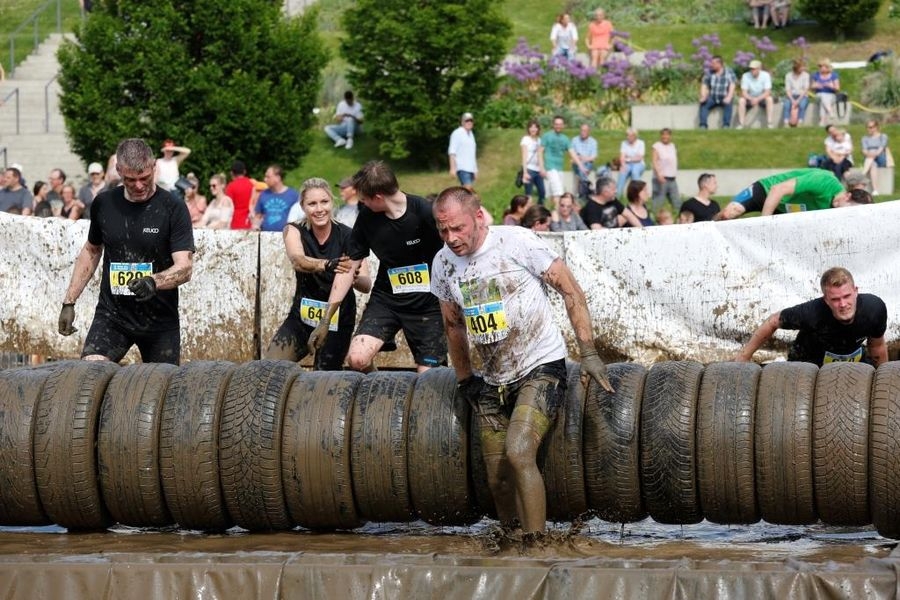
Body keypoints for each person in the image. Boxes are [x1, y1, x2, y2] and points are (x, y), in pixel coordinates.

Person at [430, 186, 613, 536]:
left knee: (518, 452)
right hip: (491, 377)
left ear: (479, 216)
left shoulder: (517, 243)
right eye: (443, 230)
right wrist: (465, 378)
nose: (451, 238)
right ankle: (511, 545)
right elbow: (452, 325)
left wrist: (588, 352)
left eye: (458, 228)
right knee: (497, 478)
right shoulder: (443, 264)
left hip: (540, 366)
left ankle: (537, 546)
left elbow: (571, 290)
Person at [57, 138, 194, 365]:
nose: (139, 186)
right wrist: (69, 301)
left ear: (153, 168)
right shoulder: (104, 203)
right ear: (118, 171)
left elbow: (185, 268)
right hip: (112, 317)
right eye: (130, 180)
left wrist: (153, 281)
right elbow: (91, 251)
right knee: (89, 374)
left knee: (160, 391)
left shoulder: (173, 207)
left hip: (159, 321)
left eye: (144, 178)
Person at [307, 160, 447, 373]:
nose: (362, 203)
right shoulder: (367, 218)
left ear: (379, 197)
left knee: (429, 377)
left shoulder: (425, 212)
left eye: (364, 199)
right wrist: (325, 320)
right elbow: (348, 267)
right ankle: (379, 391)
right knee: (356, 358)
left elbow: (451, 256)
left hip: (428, 305)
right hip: (387, 301)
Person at [266, 177, 372, 370]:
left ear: (332, 202)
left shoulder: (349, 235)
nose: (319, 209)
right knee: (270, 366)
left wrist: (353, 276)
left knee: (323, 379)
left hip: (337, 319)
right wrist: (328, 264)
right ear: (303, 207)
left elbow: (366, 285)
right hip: (302, 316)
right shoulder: (293, 230)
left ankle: (370, 376)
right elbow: (298, 260)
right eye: (312, 204)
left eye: (324, 202)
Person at [735, 267, 886, 367]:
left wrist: (884, 379)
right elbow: (773, 321)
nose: (843, 304)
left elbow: (877, 346)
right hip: (809, 360)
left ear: (856, 291)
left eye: (846, 296)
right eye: (835, 299)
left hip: (851, 355)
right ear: (826, 300)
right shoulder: (811, 313)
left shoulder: (873, 309)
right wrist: (743, 357)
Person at [717, 168, 870, 220]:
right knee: (728, 214)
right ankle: (705, 224)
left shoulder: (837, 210)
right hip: (767, 191)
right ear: (847, 196)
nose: (845, 213)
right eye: (849, 208)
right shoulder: (824, 181)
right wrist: (763, 223)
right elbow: (778, 190)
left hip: (786, 209)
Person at [542, 115, 587, 208]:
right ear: (553, 125)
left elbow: (572, 153)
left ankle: (550, 211)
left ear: (563, 126)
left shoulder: (565, 138)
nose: (558, 126)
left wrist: (581, 166)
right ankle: (558, 213)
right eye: (556, 124)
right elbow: (539, 152)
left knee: (552, 193)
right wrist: (542, 167)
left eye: (560, 124)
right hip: (550, 167)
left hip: (559, 168)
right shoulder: (547, 136)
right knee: (559, 191)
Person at [253, 165, 300, 232]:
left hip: (286, 237)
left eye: (268, 177)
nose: (264, 179)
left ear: (277, 178)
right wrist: (256, 226)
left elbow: (300, 217)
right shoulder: (263, 194)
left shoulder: (293, 195)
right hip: (265, 236)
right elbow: (258, 216)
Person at [698, 55, 737, 129]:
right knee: (704, 105)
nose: (711, 65)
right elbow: (704, 85)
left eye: (713, 63)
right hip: (712, 97)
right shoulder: (709, 73)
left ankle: (726, 125)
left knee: (728, 105)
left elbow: (732, 84)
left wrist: (729, 96)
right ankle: (703, 125)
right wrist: (703, 96)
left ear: (719, 64)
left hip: (724, 96)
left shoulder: (729, 72)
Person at [737, 60, 774, 129]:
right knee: (741, 100)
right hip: (750, 97)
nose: (752, 71)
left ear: (759, 69)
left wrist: (758, 99)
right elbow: (744, 92)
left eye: (754, 69)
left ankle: (769, 123)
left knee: (769, 99)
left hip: (762, 97)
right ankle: (741, 124)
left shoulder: (766, 75)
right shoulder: (745, 76)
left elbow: (767, 92)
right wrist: (751, 99)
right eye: (751, 69)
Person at [651, 128, 679, 212]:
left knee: (676, 202)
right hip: (661, 178)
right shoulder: (657, 146)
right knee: (658, 202)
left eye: (667, 134)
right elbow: (654, 161)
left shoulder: (672, 146)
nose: (665, 136)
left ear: (670, 136)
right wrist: (659, 174)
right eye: (663, 134)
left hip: (672, 178)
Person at [448, 112, 477, 191]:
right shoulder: (457, 133)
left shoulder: (471, 134)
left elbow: (472, 153)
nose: (469, 122)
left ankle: (463, 203)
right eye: (467, 120)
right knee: (468, 190)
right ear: (462, 122)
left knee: (466, 191)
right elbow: (452, 151)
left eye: (471, 120)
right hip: (462, 167)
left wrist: (475, 170)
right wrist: (452, 168)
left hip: (470, 168)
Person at [520, 120, 545, 206]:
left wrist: (542, 169)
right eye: (531, 127)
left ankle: (539, 208)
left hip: (538, 170)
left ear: (538, 129)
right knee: (528, 194)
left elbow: (541, 156)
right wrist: (525, 172)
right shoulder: (525, 139)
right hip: (529, 169)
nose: (533, 129)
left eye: (535, 127)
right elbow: (524, 155)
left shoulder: (540, 140)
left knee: (542, 192)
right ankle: (528, 211)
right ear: (528, 129)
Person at [571, 124, 598, 203]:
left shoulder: (593, 142)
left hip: (588, 164)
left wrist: (582, 158)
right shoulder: (574, 140)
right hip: (577, 164)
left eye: (585, 131)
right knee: (581, 167)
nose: (583, 132)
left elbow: (593, 157)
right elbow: (573, 156)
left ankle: (582, 194)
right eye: (582, 130)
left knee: (584, 167)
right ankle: (585, 193)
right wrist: (580, 159)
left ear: (589, 132)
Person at [861, 120, 889, 196]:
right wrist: (869, 154)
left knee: (871, 156)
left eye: (871, 127)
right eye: (867, 127)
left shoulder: (883, 136)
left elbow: (880, 150)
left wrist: (871, 154)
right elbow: (864, 151)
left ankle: (862, 175)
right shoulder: (865, 138)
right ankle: (875, 190)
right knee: (873, 165)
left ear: (876, 127)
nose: (869, 129)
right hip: (869, 159)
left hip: (880, 158)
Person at [616, 128, 645, 198]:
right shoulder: (624, 143)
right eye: (627, 135)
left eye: (630, 135)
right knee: (622, 172)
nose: (628, 137)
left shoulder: (641, 143)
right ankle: (617, 195)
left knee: (635, 171)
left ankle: (637, 194)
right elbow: (622, 156)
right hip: (627, 164)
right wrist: (623, 165)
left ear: (635, 136)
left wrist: (628, 159)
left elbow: (639, 158)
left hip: (639, 163)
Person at [226, 160, 254, 230]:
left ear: (232, 173)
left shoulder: (230, 186)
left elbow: (228, 206)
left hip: (235, 222)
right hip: (250, 221)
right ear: (244, 171)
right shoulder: (252, 184)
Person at [811, 58, 840, 126]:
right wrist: (817, 86)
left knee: (823, 102)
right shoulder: (816, 75)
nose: (820, 68)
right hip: (819, 95)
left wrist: (831, 86)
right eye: (819, 66)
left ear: (827, 67)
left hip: (830, 95)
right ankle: (830, 112)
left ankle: (822, 122)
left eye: (822, 66)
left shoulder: (834, 75)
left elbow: (837, 88)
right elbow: (812, 87)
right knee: (822, 96)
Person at [782, 58, 810, 127]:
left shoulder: (806, 75)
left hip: (802, 95)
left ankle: (800, 122)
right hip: (791, 95)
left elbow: (805, 89)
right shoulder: (788, 75)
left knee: (802, 105)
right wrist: (792, 100)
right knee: (786, 105)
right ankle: (786, 122)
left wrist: (798, 100)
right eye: (801, 67)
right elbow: (788, 89)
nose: (803, 68)